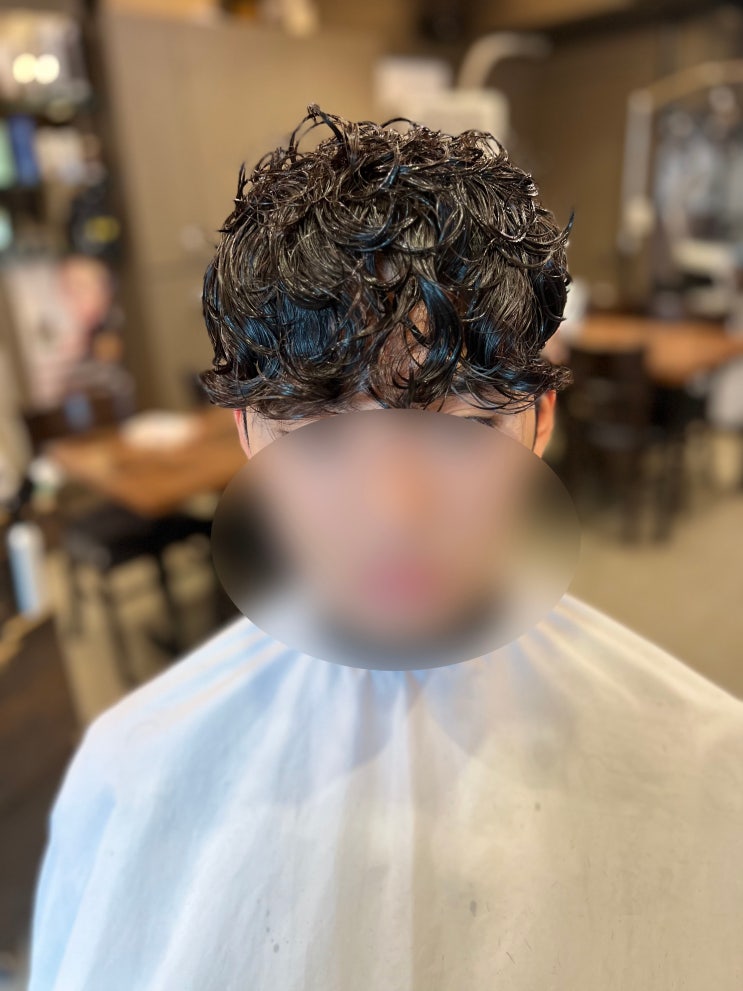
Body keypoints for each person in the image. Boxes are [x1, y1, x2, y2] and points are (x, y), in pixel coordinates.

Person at [27, 106, 743, 990]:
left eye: (467, 428)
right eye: (320, 436)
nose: (396, 511)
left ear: (538, 425)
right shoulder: (130, 772)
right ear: (248, 436)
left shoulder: (703, 762)